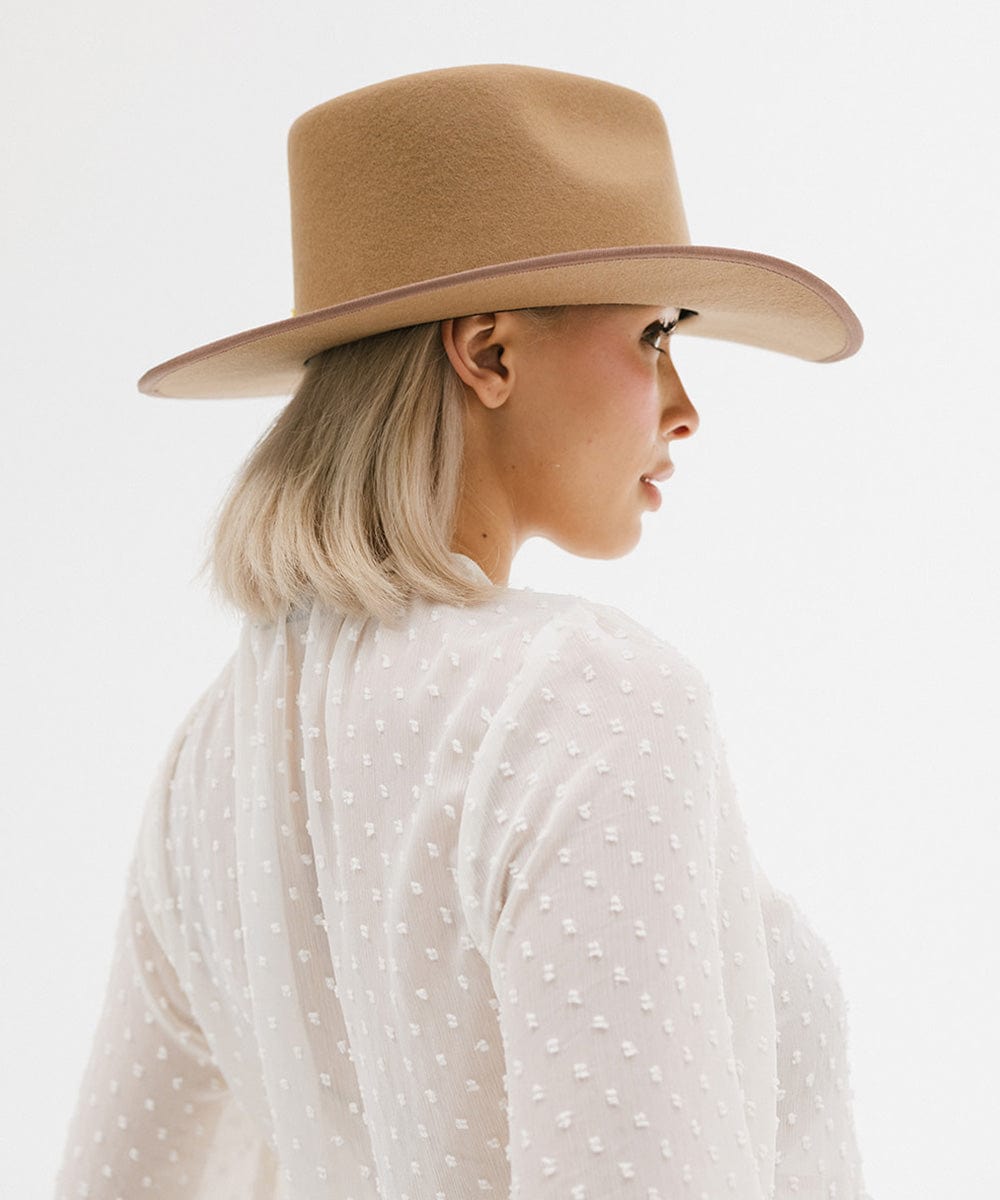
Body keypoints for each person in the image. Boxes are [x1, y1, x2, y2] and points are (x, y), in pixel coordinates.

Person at [53, 63, 874, 1199]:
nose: (685, 406)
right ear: (488, 353)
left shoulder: (213, 762)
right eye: (652, 335)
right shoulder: (584, 700)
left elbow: (117, 1178)